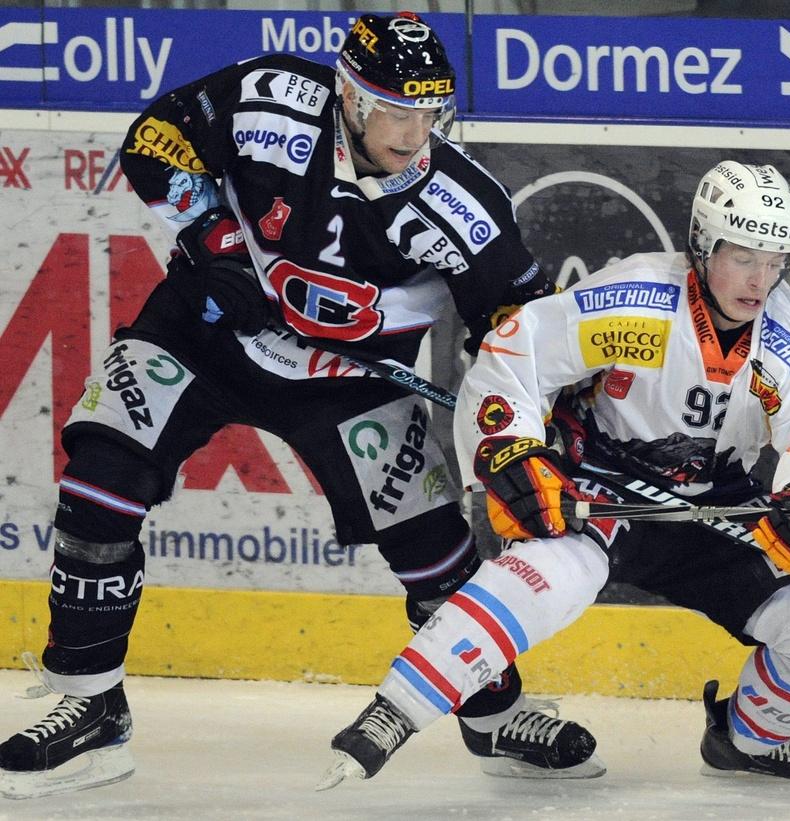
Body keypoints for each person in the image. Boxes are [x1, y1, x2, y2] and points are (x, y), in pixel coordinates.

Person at [0, 12, 604, 801]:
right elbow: (156, 138)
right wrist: (216, 245)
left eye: (429, 111)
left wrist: (529, 423)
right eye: (394, 108)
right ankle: (91, 707)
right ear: (348, 95)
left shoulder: (463, 202)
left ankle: (495, 714)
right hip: (206, 328)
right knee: (100, 477)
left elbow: (519, 333)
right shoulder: (269, 99)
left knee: (432, 550)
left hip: (351, 378)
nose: (414, 129)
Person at [318, 160, 790, 787]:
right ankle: (391, 713)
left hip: (713, 510)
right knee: (545, 578)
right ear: (703, 243)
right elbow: (515, 357)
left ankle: (747, 737)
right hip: (600, 491)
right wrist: (511, 452)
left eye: (777, 260)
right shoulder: (634, 299)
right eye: (744, 256)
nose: (761, 279)